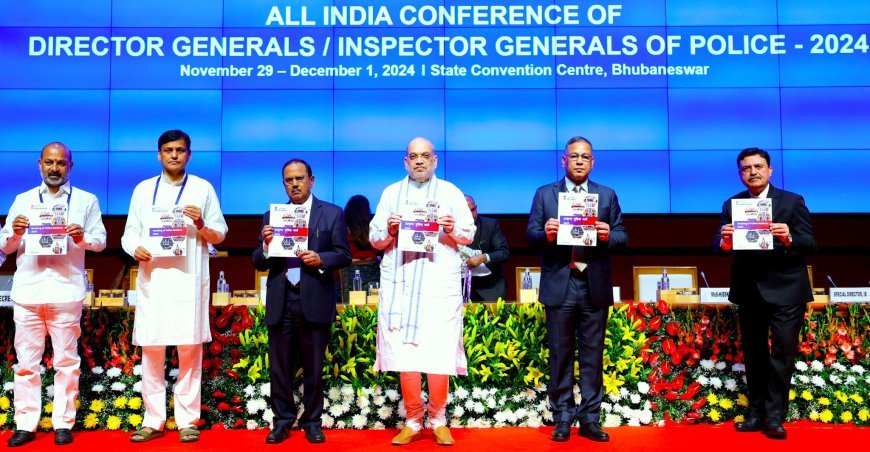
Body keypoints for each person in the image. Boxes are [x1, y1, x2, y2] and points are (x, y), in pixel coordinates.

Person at [121, 129, 227, 443]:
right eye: (168, 150)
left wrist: (201, 225)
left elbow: (220, 234)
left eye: (180, 150)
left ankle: (187, 421)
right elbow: (129, 234)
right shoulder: (143, 190)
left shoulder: (202, 188)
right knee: (152, 352)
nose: (174, 155)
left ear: (189, 155)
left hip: (188, 282)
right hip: (154, 282)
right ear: (159, 155)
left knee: (190, 352)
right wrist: (133, 248)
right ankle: (153, 420)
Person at [370, 137, 475, 446]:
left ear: (435, 161)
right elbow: (375, 239)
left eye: (425, 156)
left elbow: (468, 234)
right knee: (407, 356)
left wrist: (452, 227)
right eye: (413, 156)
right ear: (406, 162)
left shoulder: (450, 193)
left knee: (438, 355)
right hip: (401, 286)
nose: (419, 161)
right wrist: (389, 230)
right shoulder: (391, 193)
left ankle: (439, 419)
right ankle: (414, 419)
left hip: (437, 287)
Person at [1, 142, 107, 447]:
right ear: (39, 165)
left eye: (61, 163)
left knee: (66, 361)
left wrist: (82, 238)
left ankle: (63, 422)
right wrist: (16, 234)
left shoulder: (86, 201)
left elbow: (100, 241)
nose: (55, 168)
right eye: (49, 162)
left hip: (65, 290)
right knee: (25, 363)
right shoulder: (23, 201)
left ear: (70, 167)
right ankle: (25, 423)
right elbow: (4, 247)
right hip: (28, 291)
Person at [526, 136, 627, 443]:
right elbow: (530, 236)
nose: (580, 161)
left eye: (585, 157)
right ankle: (563, 417)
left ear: (592, 162)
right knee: (560, 354)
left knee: (593, 356)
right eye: (574, 156)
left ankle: (590, 419)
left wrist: (610, 234)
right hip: (561, 283)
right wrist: (545, 233)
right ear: (564, 161)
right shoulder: (545, 194)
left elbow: (623, 236)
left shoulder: (606, 195)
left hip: (593, 283)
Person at [715, 147, 815, 440]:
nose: (753, 172)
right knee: (755, 356)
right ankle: (756, 413)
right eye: (746, 168)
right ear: (740, 173)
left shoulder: (792, 201)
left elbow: (811, 243)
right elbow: (718, 247)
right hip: (750, 291)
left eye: (758, 166)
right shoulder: (732, 204)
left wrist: (790, 237)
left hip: (786, 291)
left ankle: (775, 416)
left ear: (770, 170)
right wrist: (724, 242)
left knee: (782, 354)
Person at [253, 159, 351, 444]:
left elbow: (344, 255)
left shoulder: (331, 214)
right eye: (288, 180)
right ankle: (282, 421)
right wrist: (265, 246)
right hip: (281, 298)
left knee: (313, 366)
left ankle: (312, 422)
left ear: (312, 180)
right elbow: (258, 262)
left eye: (299, 178)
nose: (294, 184)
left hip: (313, 296)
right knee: (280, 367)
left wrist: (321, 258)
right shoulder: (271, 217)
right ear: (283, 183)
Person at [464, 195, 509, 302]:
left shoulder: (490, 225)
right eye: (466, 211)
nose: (471, 215)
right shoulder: (449, 228)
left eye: (473, 210)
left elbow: (504, 253)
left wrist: (484, 257)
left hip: (489, 288)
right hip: (458, 288)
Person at [341, 194, 380, 302]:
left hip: (350, 271)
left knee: (351, 305)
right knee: (373, 303)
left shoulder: (343, 224)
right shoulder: (373, 223)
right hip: (373, 270)